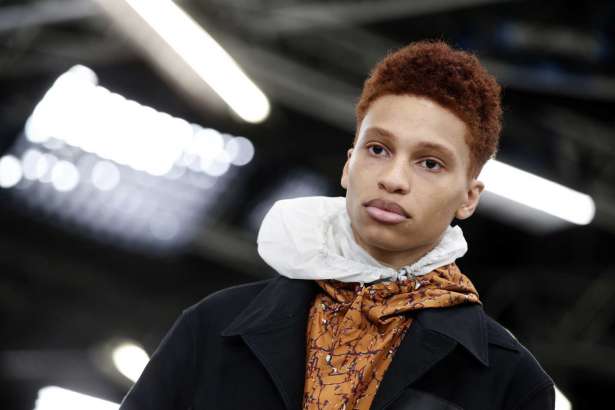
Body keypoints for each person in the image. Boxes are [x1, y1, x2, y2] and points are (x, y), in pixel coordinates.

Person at [119, 40, 555, 410]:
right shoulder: (213, 327)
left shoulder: (509, 381)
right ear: (349, 166)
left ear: (468, 197)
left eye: (429, 163)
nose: (393, 178)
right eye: (379, 149)